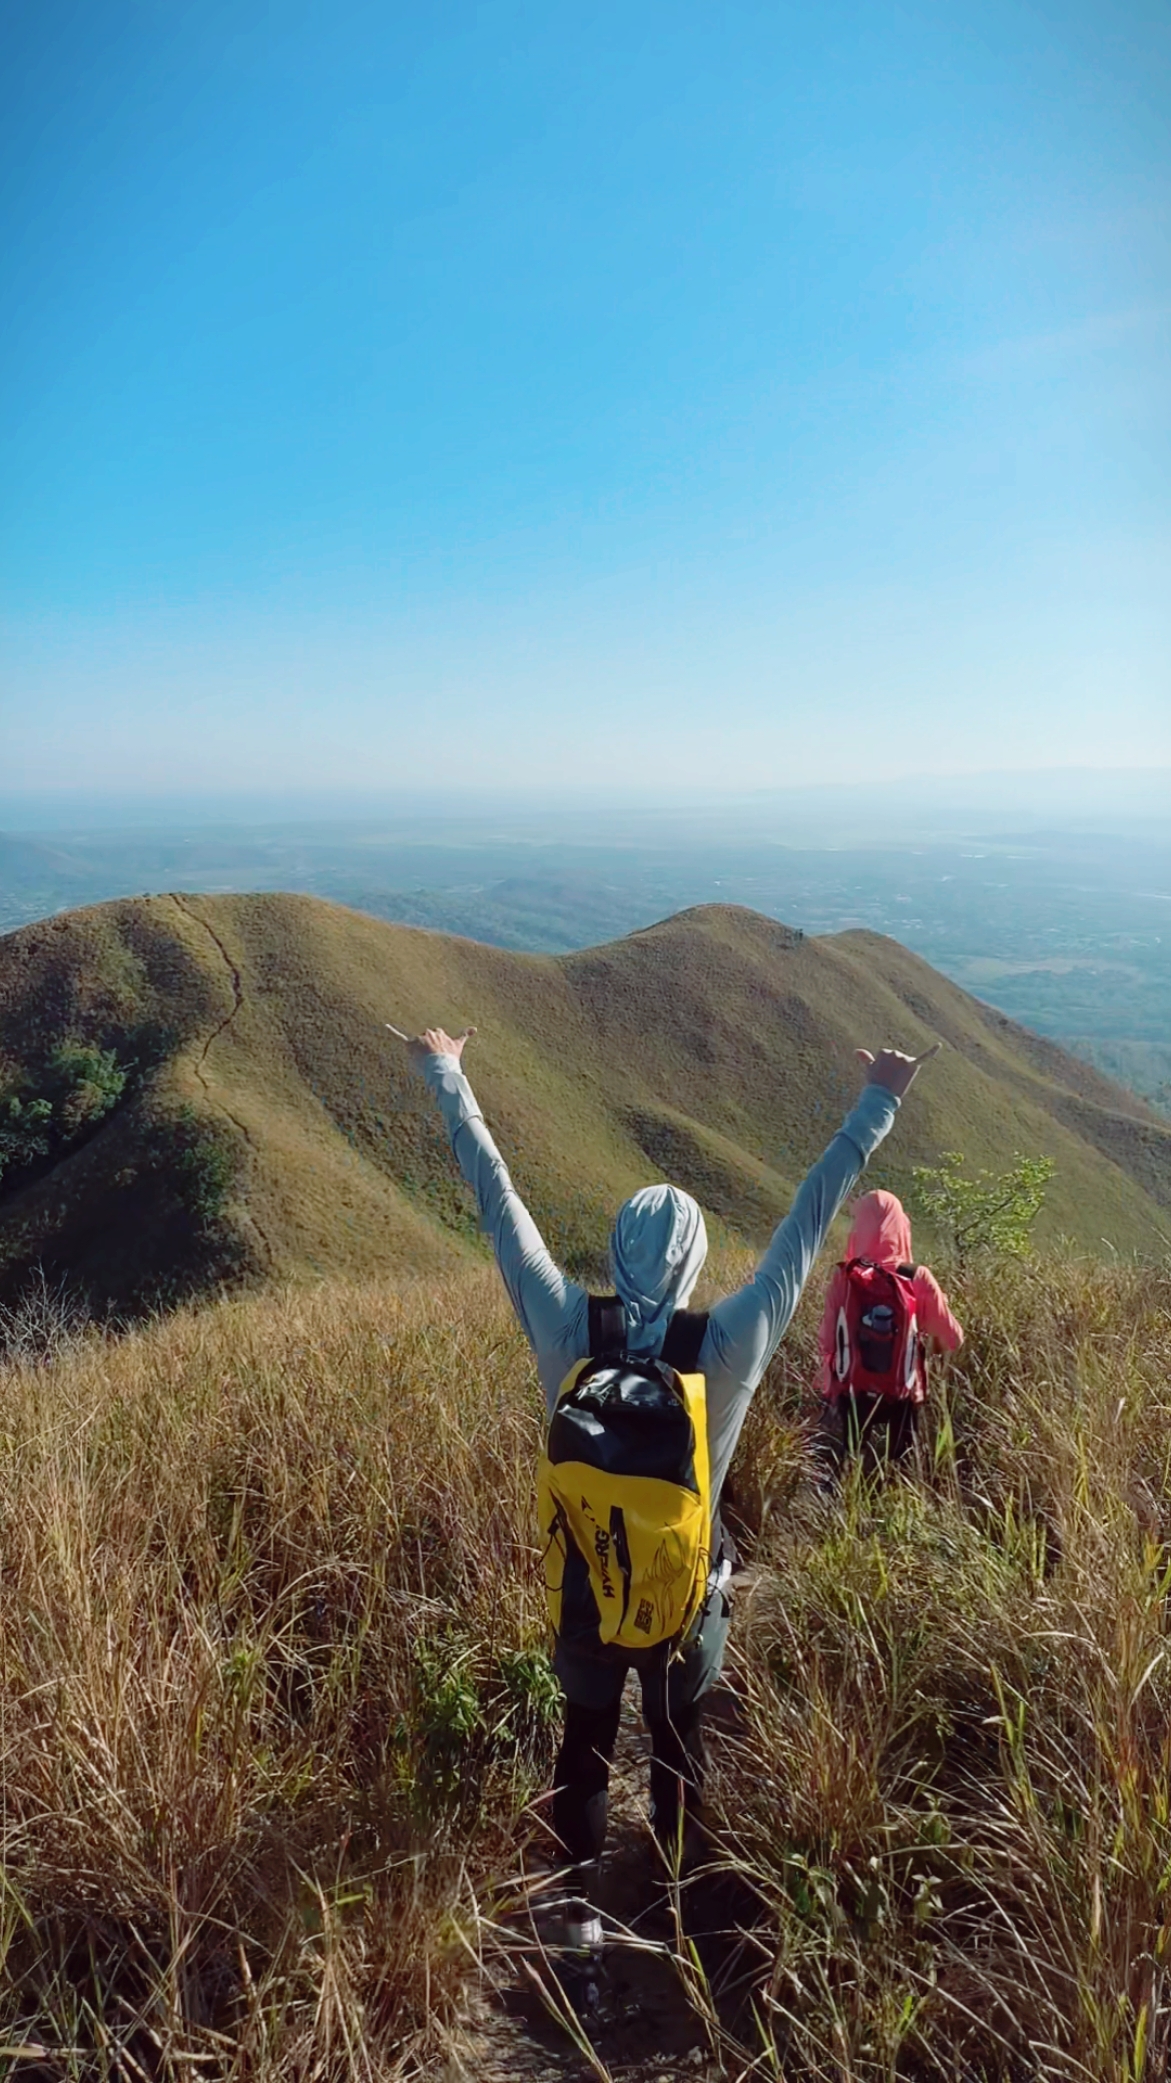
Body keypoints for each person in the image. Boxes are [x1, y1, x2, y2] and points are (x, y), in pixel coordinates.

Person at [397, 1022, 937, 1968]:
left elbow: (496, 1198)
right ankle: (676, 1928)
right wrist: (876, 1103)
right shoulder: (726, 1346)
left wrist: (448, 1075)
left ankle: (575, 1944)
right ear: (690, 1263)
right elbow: (807, 1227)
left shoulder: (566, 1324)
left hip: (584, 1589)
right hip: (690, 1596)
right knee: (677, 1748)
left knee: (585, 1746)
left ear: (616, 1249)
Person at [815, 1188, 963, 1478]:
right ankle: (893, 1507)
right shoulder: (916, 1276)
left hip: (852, 1391)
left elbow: (827, 1340)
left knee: (846, 1464)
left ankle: (840, 1506)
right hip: (903, 1393)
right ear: (901, 1225)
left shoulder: (845, 1276)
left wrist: (829, 1382)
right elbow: (953, 1338)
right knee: (902, 1472)